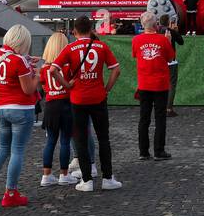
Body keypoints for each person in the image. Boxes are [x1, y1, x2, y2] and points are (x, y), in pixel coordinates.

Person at [55, 16, 122, 192]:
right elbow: (116, 69)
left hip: (78, 99)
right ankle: (107, 178)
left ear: (75, 31)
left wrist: (67, 85)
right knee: (104, 138)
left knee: (81, 140)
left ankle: (87, 180)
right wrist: (107, 88)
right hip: (98, 97)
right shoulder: (101, 46)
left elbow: (53, 69)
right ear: (92, 29)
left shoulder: (70, 48)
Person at [0, 25, 39, 206]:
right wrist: (39, 75)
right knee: (17, 150)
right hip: (21, 108)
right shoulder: (20, 60)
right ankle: (11, 193)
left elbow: (9, 64)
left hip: (1, 108)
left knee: (2, 149)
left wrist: (26, 61)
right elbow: (28, 89)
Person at [133, 13, 176, 160]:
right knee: (160, 118)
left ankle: (143, 151)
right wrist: (168, 42)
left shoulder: (136, 40)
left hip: (144, 84)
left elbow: (135, 55)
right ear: (155, 25)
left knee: (144, 118)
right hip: (160, 84)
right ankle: (159, 150)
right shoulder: (163, 40)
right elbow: (171, 58)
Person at [37, 33, 77, 186]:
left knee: (50, 141)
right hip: (66, 104)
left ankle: (46, 175)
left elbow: (42, 85)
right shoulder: (67, 66)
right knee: (65, 141)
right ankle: (64, 174)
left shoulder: (44, 68)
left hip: (50, 106)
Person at [165, 16, 184, 117]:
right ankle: (168, 108)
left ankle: (160, 106)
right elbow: (181, 42)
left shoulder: (156, 31)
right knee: (171, 85)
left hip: (160, 62)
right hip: (171, 61)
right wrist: (176, 31)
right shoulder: (171, 31)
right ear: (169, 23)